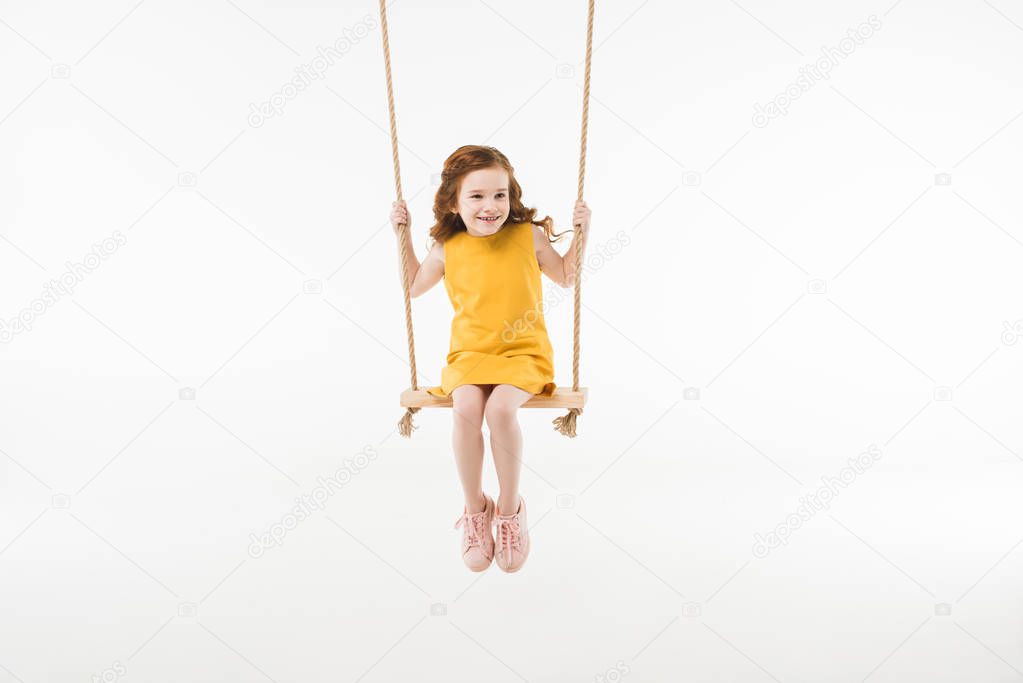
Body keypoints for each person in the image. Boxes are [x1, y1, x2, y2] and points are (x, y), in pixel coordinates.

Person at [389, 145, 590, 572]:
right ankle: (475, 510)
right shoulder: (448, 246)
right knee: (465, 407)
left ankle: (510, 511)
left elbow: (566, 276)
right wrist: (402, 235)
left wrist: (582, 233)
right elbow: (413, 286)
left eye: (500, 195)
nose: (490, 206)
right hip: (469, 353)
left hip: (524, 353)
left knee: (500, 408)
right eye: (476, 196)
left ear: (511, 196)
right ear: (454, 203)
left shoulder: (528, 236)